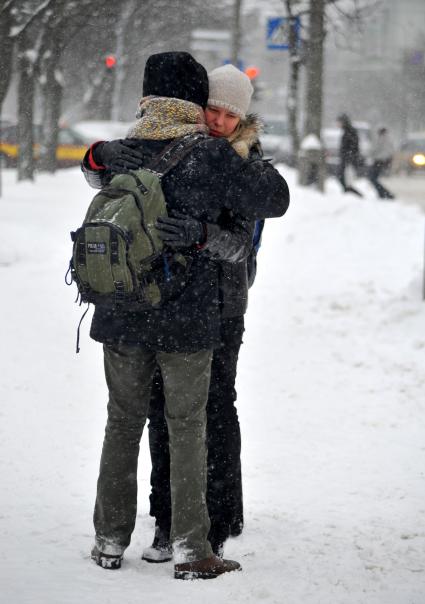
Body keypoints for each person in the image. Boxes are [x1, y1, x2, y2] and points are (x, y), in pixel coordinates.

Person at [80, 51, 290, 580]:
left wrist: (96, 156)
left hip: (121, 311)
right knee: (188, 426)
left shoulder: (122, 149)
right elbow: (276, 199)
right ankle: (191, 549)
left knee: (122, 423)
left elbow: (92, 172)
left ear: (146, 97)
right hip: (185, 317)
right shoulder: (207, 156)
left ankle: (109, 540)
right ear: (192, 102)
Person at [142, 64, 266, 564]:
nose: (218, 121)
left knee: (215, 407)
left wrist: (203, 237)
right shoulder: (183, 154)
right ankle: (166, 513)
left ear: (242, 118)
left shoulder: (244, 163)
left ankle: (220, 513)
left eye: (229, 114)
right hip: (174, 305)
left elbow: (245, 246)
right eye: (212, 109)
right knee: (164, 409)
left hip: (224, 307)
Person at [336, 113, 363, 197]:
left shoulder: (350, 131)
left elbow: (353, 146)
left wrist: (349, 158)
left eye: (339, 122)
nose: (337, 124)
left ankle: (354, 195)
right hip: (347, 159)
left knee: (344, 179)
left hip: (348, 159)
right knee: (342, 178)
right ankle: (349, 194)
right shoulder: (347, 131)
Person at [368, 127, 395, 199]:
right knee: (374, 178)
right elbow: (391, 152)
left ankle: (384, 194)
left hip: (378, 161)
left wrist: (370, 155)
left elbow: (374, 150)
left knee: (372, 178)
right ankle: (384, 193)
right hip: (383, 161)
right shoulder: (389, 140)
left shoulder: (381, 139)